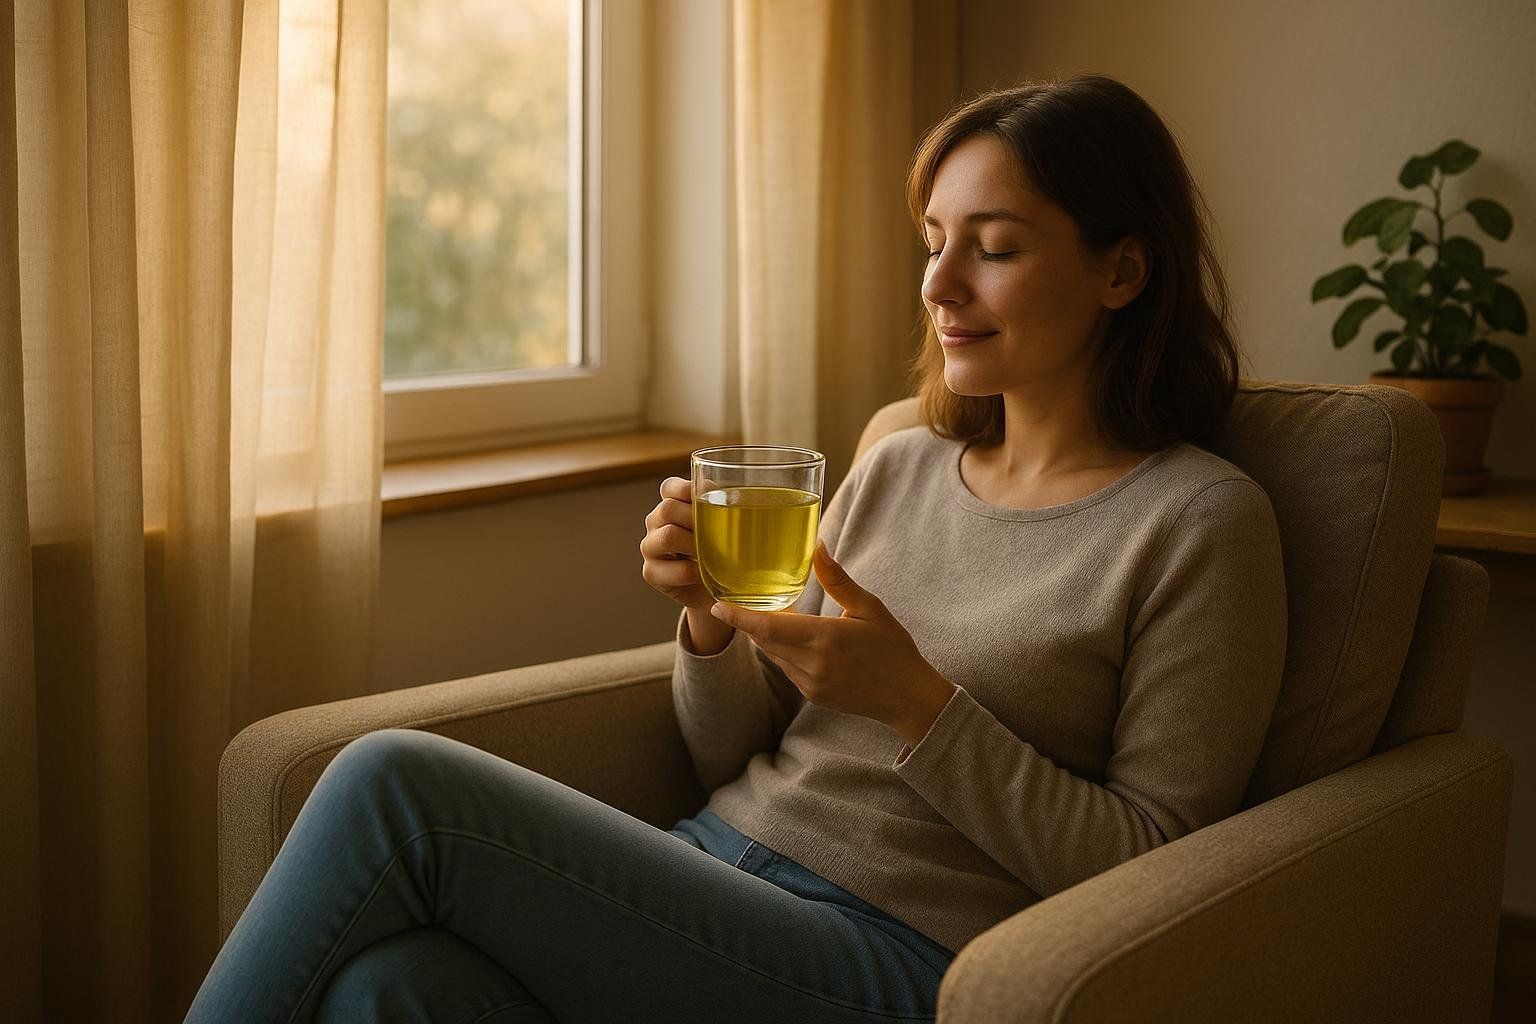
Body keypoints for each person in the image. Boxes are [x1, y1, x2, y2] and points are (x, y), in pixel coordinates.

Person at [186, 73, 1287, 1024]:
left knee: (394, 779)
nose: (940, 287)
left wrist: (919, 703)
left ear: (1122, 272)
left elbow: (1157, 871)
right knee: (386, 989)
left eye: (994, 249)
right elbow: (740, 758)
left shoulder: (1197, 522)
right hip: (715, 867)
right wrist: (713, 624)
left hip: (899, 957)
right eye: (935, 243)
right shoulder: (902, 464)